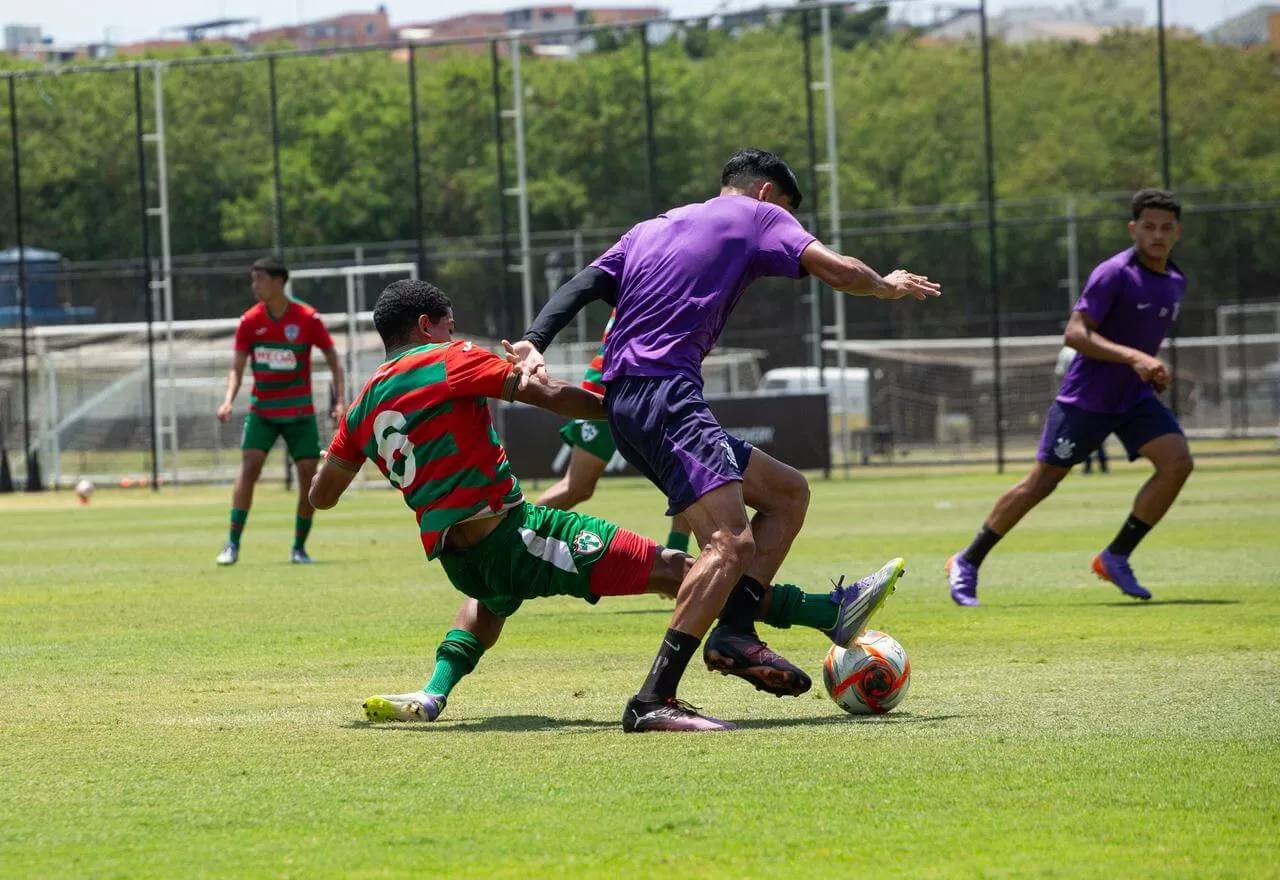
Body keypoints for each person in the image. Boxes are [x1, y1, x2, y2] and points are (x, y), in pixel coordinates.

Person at [310, 280, 901, 732]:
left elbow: (323, 495)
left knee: (487, 600)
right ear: (426, 325)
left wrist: (337, 451)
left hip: (459, 558)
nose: (453, 333)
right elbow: (543, 392)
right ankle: (822, 611)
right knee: (680, 570)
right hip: (518, 535)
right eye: (448, 325)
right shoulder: (447, 358)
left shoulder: (362, 407)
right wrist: (619, 409)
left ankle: (433, 693)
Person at [505, 148, 939, 731]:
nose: (791, 228)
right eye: (790, 212)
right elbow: (837, 270)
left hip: (630, 401)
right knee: (729, 544)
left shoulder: (648, 229)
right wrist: (885, 285)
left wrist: (534, 340)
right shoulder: (760, 215)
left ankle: (734, 632)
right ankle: (652, 699)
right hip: (665, 395)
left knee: (787, 493)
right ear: (765, 192)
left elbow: (582, 284)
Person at [946, 188, 1193, 606]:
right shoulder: (1114, 273)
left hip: (1134, 398)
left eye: (1166, 228)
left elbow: (1140, 339)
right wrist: (1135, 357)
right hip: (1087, 399)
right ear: (1133, 229)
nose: (1157, 235)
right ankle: (967, 561)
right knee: (1041, 483)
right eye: (1149, 226)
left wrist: (1150, 369)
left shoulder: (1176, 281)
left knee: (1177, 463)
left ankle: (1116, 556)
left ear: (1177, 232)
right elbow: (1075, 334)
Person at [215, 256, 345, 565]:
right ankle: (232, 545)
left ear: (278, 282)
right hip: (263, 412)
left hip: (300, 413)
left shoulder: (308, 318)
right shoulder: (249, 321)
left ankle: (299, 548)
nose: (254, 285)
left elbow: (333, 359)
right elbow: (236, 367)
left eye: (259, 279)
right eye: (253, 279)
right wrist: (228, 399)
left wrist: (340, 400)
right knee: (250, 468)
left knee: (308, 477)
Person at [536, 309, 693, 553]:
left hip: (650, 383)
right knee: (577, 487)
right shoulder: (665, 291)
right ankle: (515, 540)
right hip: (608, 384)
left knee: (689, 473)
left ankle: (680, 557)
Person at [1055, 345, 1109, 474]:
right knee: (1096, 433)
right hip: (1094, 397)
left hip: (1076, 398)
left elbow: (1060, 374)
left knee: (1082, 434)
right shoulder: (1096, 347)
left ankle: (1088, 466)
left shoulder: (1067, 351)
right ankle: (1102, 465)